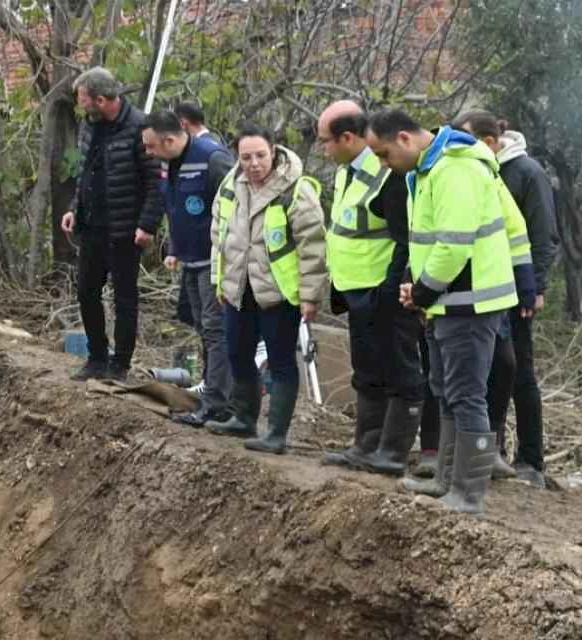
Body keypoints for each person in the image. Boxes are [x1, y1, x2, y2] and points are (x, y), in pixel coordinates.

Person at [366, 110, 533, 514]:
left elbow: (454, 244)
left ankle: (469, 493)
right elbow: (426, 239)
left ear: (404, 138)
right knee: (445, 391)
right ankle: (446, 480)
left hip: (469, 302)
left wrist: (422, 290)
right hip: (447, 300)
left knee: (467, 396)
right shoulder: (427, 170)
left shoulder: (455, 169)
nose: (384, 164)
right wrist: (413, 281)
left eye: (384, 154)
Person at [315, 101, 426, 476]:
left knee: (400, 372)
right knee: (367, 371)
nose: (323, 150)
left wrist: (391, 286)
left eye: (326, 142)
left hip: (385, 292)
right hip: (355, 291)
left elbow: (404, 240)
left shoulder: (390, 175)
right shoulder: (347, 172)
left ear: (348, 137)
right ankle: (366, 445)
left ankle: (393, 452)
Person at [204, 124, 328, 455]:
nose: (254, 163)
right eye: (246, 157)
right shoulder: (231, 185)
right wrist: (220, 280)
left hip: (279, 292)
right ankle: (244, 417)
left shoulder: (296, 190)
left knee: (280, 360)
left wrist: (310, 295)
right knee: (237, 352)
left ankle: (276, 433)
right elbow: (220, 235)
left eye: (260, 155)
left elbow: (313, 246)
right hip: (238, 288)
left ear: (273, 151)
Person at [453, 110, 557, 489]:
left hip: (517, 289)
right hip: (484, 289)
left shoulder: (527, 173)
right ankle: (488, 450)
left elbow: (543, 232)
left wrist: (538, 287)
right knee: (489, 370)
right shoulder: (476, 171)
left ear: (490, 141)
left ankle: (531, 460)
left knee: (520, 372)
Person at [61, 67, 164, 382]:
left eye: (84, 100)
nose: (81, 106)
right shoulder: (90, 126)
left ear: (102, 100)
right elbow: (86, 173)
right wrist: (74, 208)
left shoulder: (140, 128)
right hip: (91, 226)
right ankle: (96, 357)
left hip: (124, 229)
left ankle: (120, 365)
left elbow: (156, 182)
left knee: (124, 297)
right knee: (86, 291)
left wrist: (147, 225)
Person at [139, 110, 236, 426]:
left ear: (169, 139)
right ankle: (212, 389)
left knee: (214, 327)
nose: (148, 153)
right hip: (190, 258)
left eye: (152, 147)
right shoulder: (169, 162)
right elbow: (175, 206)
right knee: (201, 325)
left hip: (215, 260)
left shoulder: (212, 158)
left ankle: (219, 402)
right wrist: (174, 249)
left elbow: (234, 209)